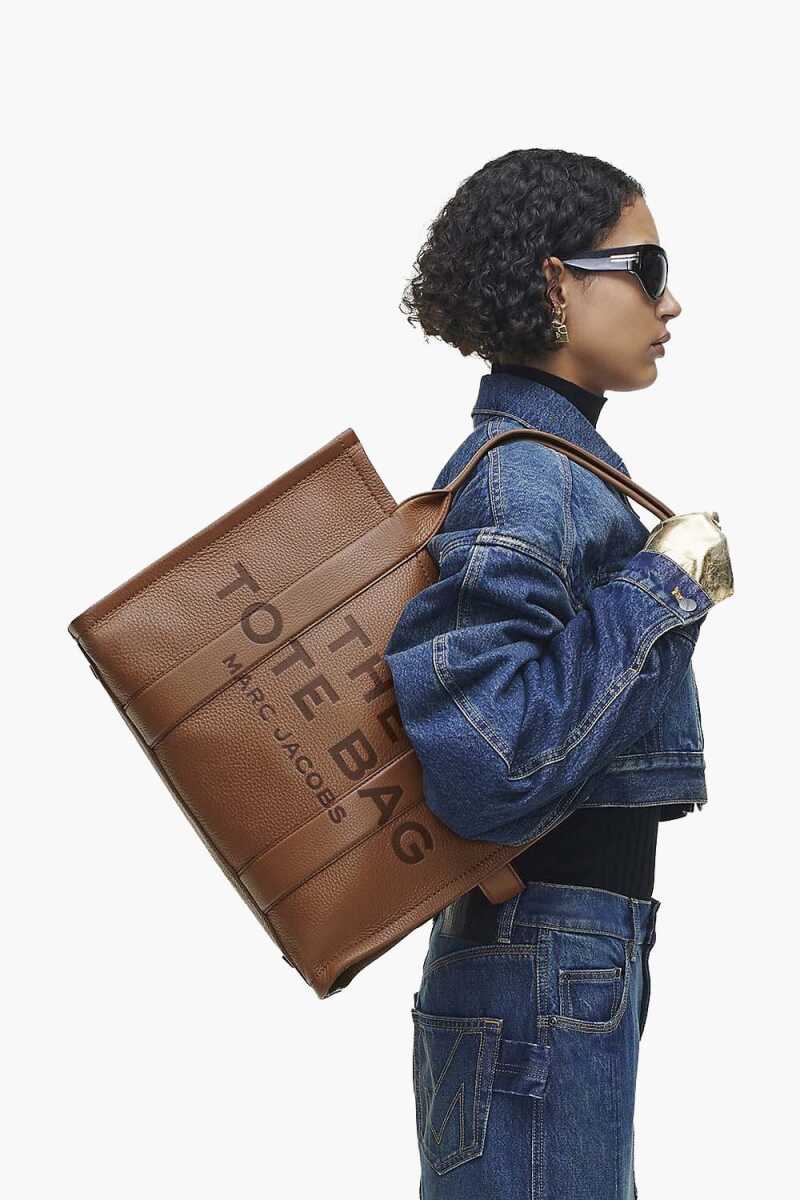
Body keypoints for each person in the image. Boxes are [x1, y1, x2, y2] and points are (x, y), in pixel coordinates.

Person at [382, 148, 734, 1199]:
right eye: (645, 268)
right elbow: (488, 763)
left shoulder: (557, 471)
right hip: (539, 951)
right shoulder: (528, 478)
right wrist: (662, 583)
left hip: (554, 949)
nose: (669, 303)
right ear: (554, 283)